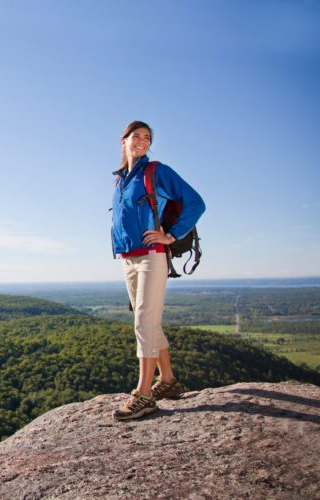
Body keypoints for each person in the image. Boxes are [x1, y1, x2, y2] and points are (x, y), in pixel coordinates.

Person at [110, 120, 205, 421]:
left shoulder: (156, 171)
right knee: (150, 321)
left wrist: (171, 235)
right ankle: (168, 381)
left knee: (143, 323)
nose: (141, 141)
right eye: (135, 136)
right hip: (129, 257)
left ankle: (144, 394)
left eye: (147, 138)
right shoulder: (120, 180)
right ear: (123, 141)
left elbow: (196, 203)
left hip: (152, 255)